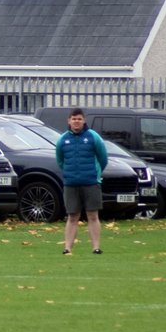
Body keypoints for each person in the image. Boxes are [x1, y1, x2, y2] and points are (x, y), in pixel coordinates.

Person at [56, 108, 108, 255]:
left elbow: (103, 158)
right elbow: (60, 160)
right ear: (69, 121)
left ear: (84, 120)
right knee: (72, 216)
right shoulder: (62, 139)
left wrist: (96, 174)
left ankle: (96, 248)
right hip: (71, 183)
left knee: (93, 215)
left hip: (91, 182)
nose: (76, 122)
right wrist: (69, 173)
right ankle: (67, 248)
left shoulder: (93, 136)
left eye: (79, 119)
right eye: (74, 119)